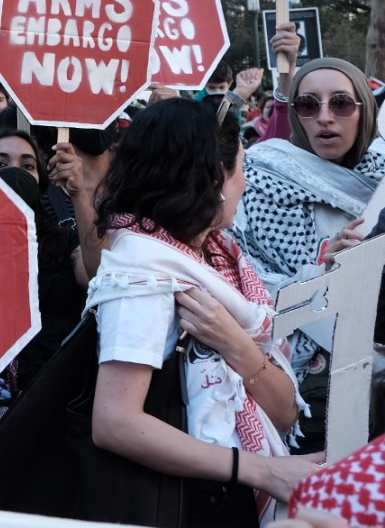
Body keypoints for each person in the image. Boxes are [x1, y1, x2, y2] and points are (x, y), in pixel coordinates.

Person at [89, 98, 314, 523]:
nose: (245, 182)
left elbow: (284, 413)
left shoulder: (220, 258)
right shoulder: (143, 274)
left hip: (228, 490)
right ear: (213, 180)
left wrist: (234, 343)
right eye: (241, 168)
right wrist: (261, 470)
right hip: (190, 503)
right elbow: (114, 422)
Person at [232, 37, 382, 452]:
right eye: (308, 105)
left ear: (365, 110)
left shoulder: (383, 180)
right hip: (302, 390)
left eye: (342, 104)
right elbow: (244, 284)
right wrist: (322, 273)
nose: (325, 117)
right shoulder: (261, 178)